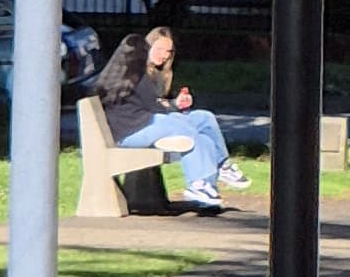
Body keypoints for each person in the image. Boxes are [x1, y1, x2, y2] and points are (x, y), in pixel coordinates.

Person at [93, 21, 245, 212]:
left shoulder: (142, 74)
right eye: (159, 49)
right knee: (184, 126)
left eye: (168, 52)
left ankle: (219, 170)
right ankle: (198, 184)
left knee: (203, 122)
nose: (164, 55)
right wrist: (174, 107)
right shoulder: (136, 75)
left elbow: (156, 107)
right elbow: (156, 108)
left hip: (143, 125)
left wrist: (173, 106)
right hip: (130, 133)